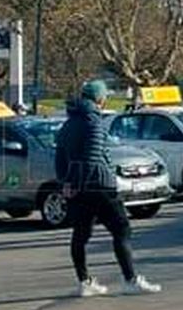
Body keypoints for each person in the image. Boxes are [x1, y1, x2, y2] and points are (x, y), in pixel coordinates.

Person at [56, 80, 160, 297]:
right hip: (99, 185)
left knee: (81, 235)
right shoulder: (93, 122)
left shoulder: (68, 124)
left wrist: (67, 182)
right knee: (122, 229)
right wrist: (80, 182)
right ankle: (130, 279)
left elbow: (60, 158)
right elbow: (92, 156)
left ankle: (84, 281)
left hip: (80, 188)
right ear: (99, 99)